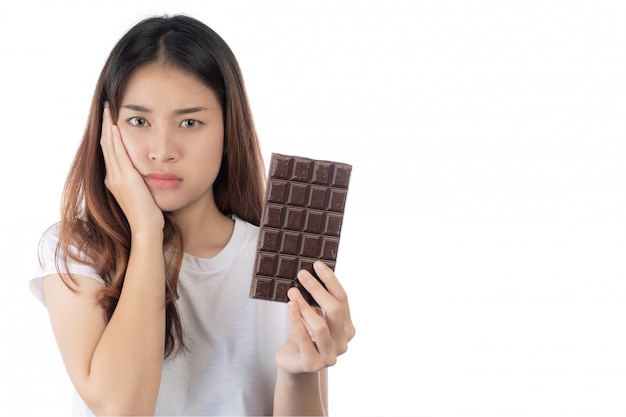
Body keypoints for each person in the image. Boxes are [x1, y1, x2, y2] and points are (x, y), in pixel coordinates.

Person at [29, 14, 355, 416]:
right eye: (139, 121)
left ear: (226, 133)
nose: (162, 149)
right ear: (107, 129)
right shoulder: (77, 250)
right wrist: (147, 232)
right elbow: (123, 408)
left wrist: (299, 372)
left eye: (189, 122)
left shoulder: (281, 259)